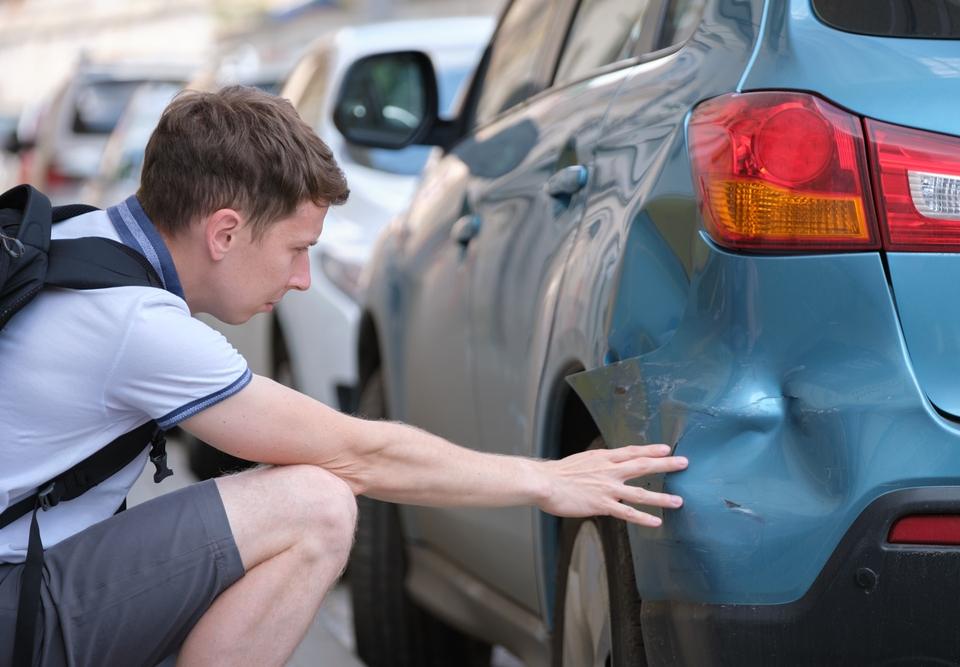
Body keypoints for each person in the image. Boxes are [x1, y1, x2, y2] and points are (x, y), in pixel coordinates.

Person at [0, 86, 689, 666]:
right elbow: (357, 452)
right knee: (317, 504)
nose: (303, 279)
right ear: (225, 232)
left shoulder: (83, 238)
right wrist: (546, 478)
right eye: (297, 250)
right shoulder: (136, 324)